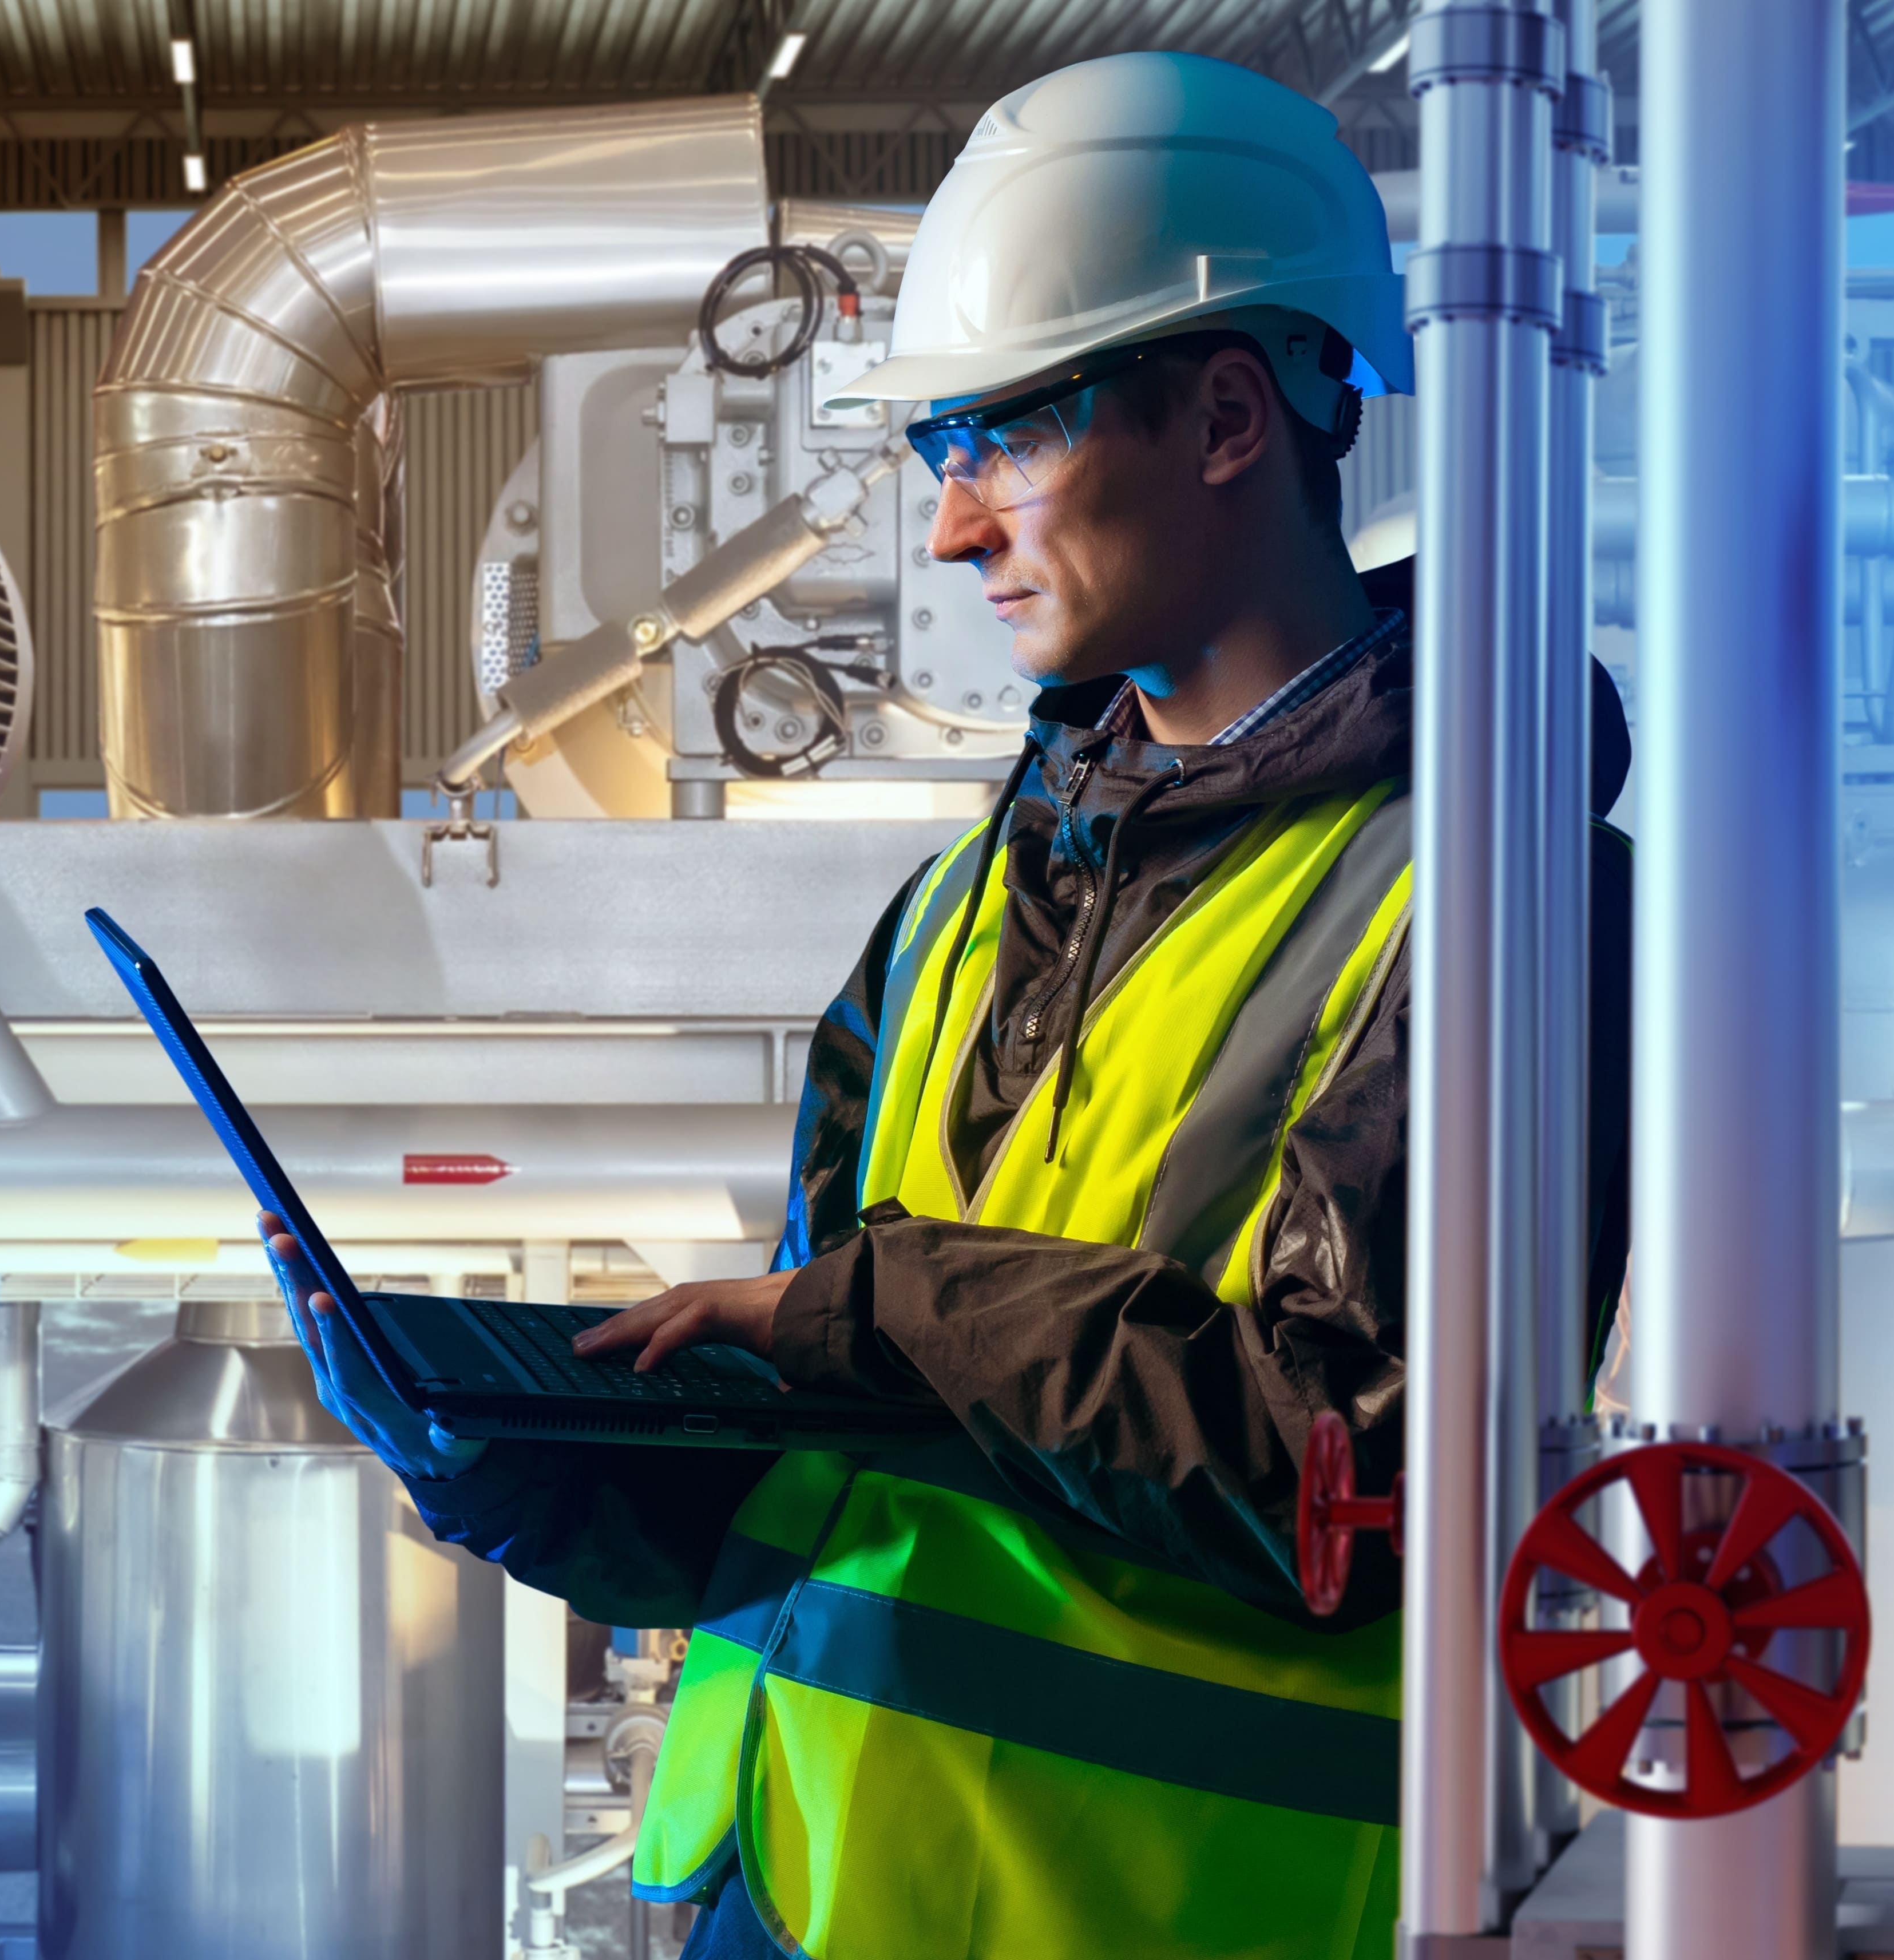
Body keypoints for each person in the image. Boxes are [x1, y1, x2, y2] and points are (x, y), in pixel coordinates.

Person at [266, 48, 1634, 1960]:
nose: (951, 528)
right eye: (939, 457)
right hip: (797, 1890)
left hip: (1159, 1911)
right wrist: (529, 1466)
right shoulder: (955, 911)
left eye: (1000, 438)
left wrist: (899, 1298)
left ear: (1229, 413)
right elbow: (852, 1452)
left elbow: (1349, 1478)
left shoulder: (1477, 893)